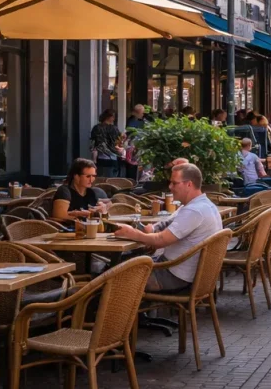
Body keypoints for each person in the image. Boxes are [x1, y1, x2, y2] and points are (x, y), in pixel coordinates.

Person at [114, 164, 223, 292]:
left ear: (189, 184)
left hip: (174, 276)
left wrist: (132, 233)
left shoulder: (194, 210)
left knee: (113, 278)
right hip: (183, 272)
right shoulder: (205, 205)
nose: (170, 187)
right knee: (123, 267)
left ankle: (120, 310)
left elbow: (161, 240)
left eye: (174, 183)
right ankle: (138, 310)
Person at [90, 109, 124, 178]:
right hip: (112, 158)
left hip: (101, 158)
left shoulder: (96, 128)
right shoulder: (114, 129)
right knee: (112, 181)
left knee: (101, 180)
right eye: (114, 117)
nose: (114, 119)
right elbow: (119, 143)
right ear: (110, 117)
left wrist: (94, 159)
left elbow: (94, 145)